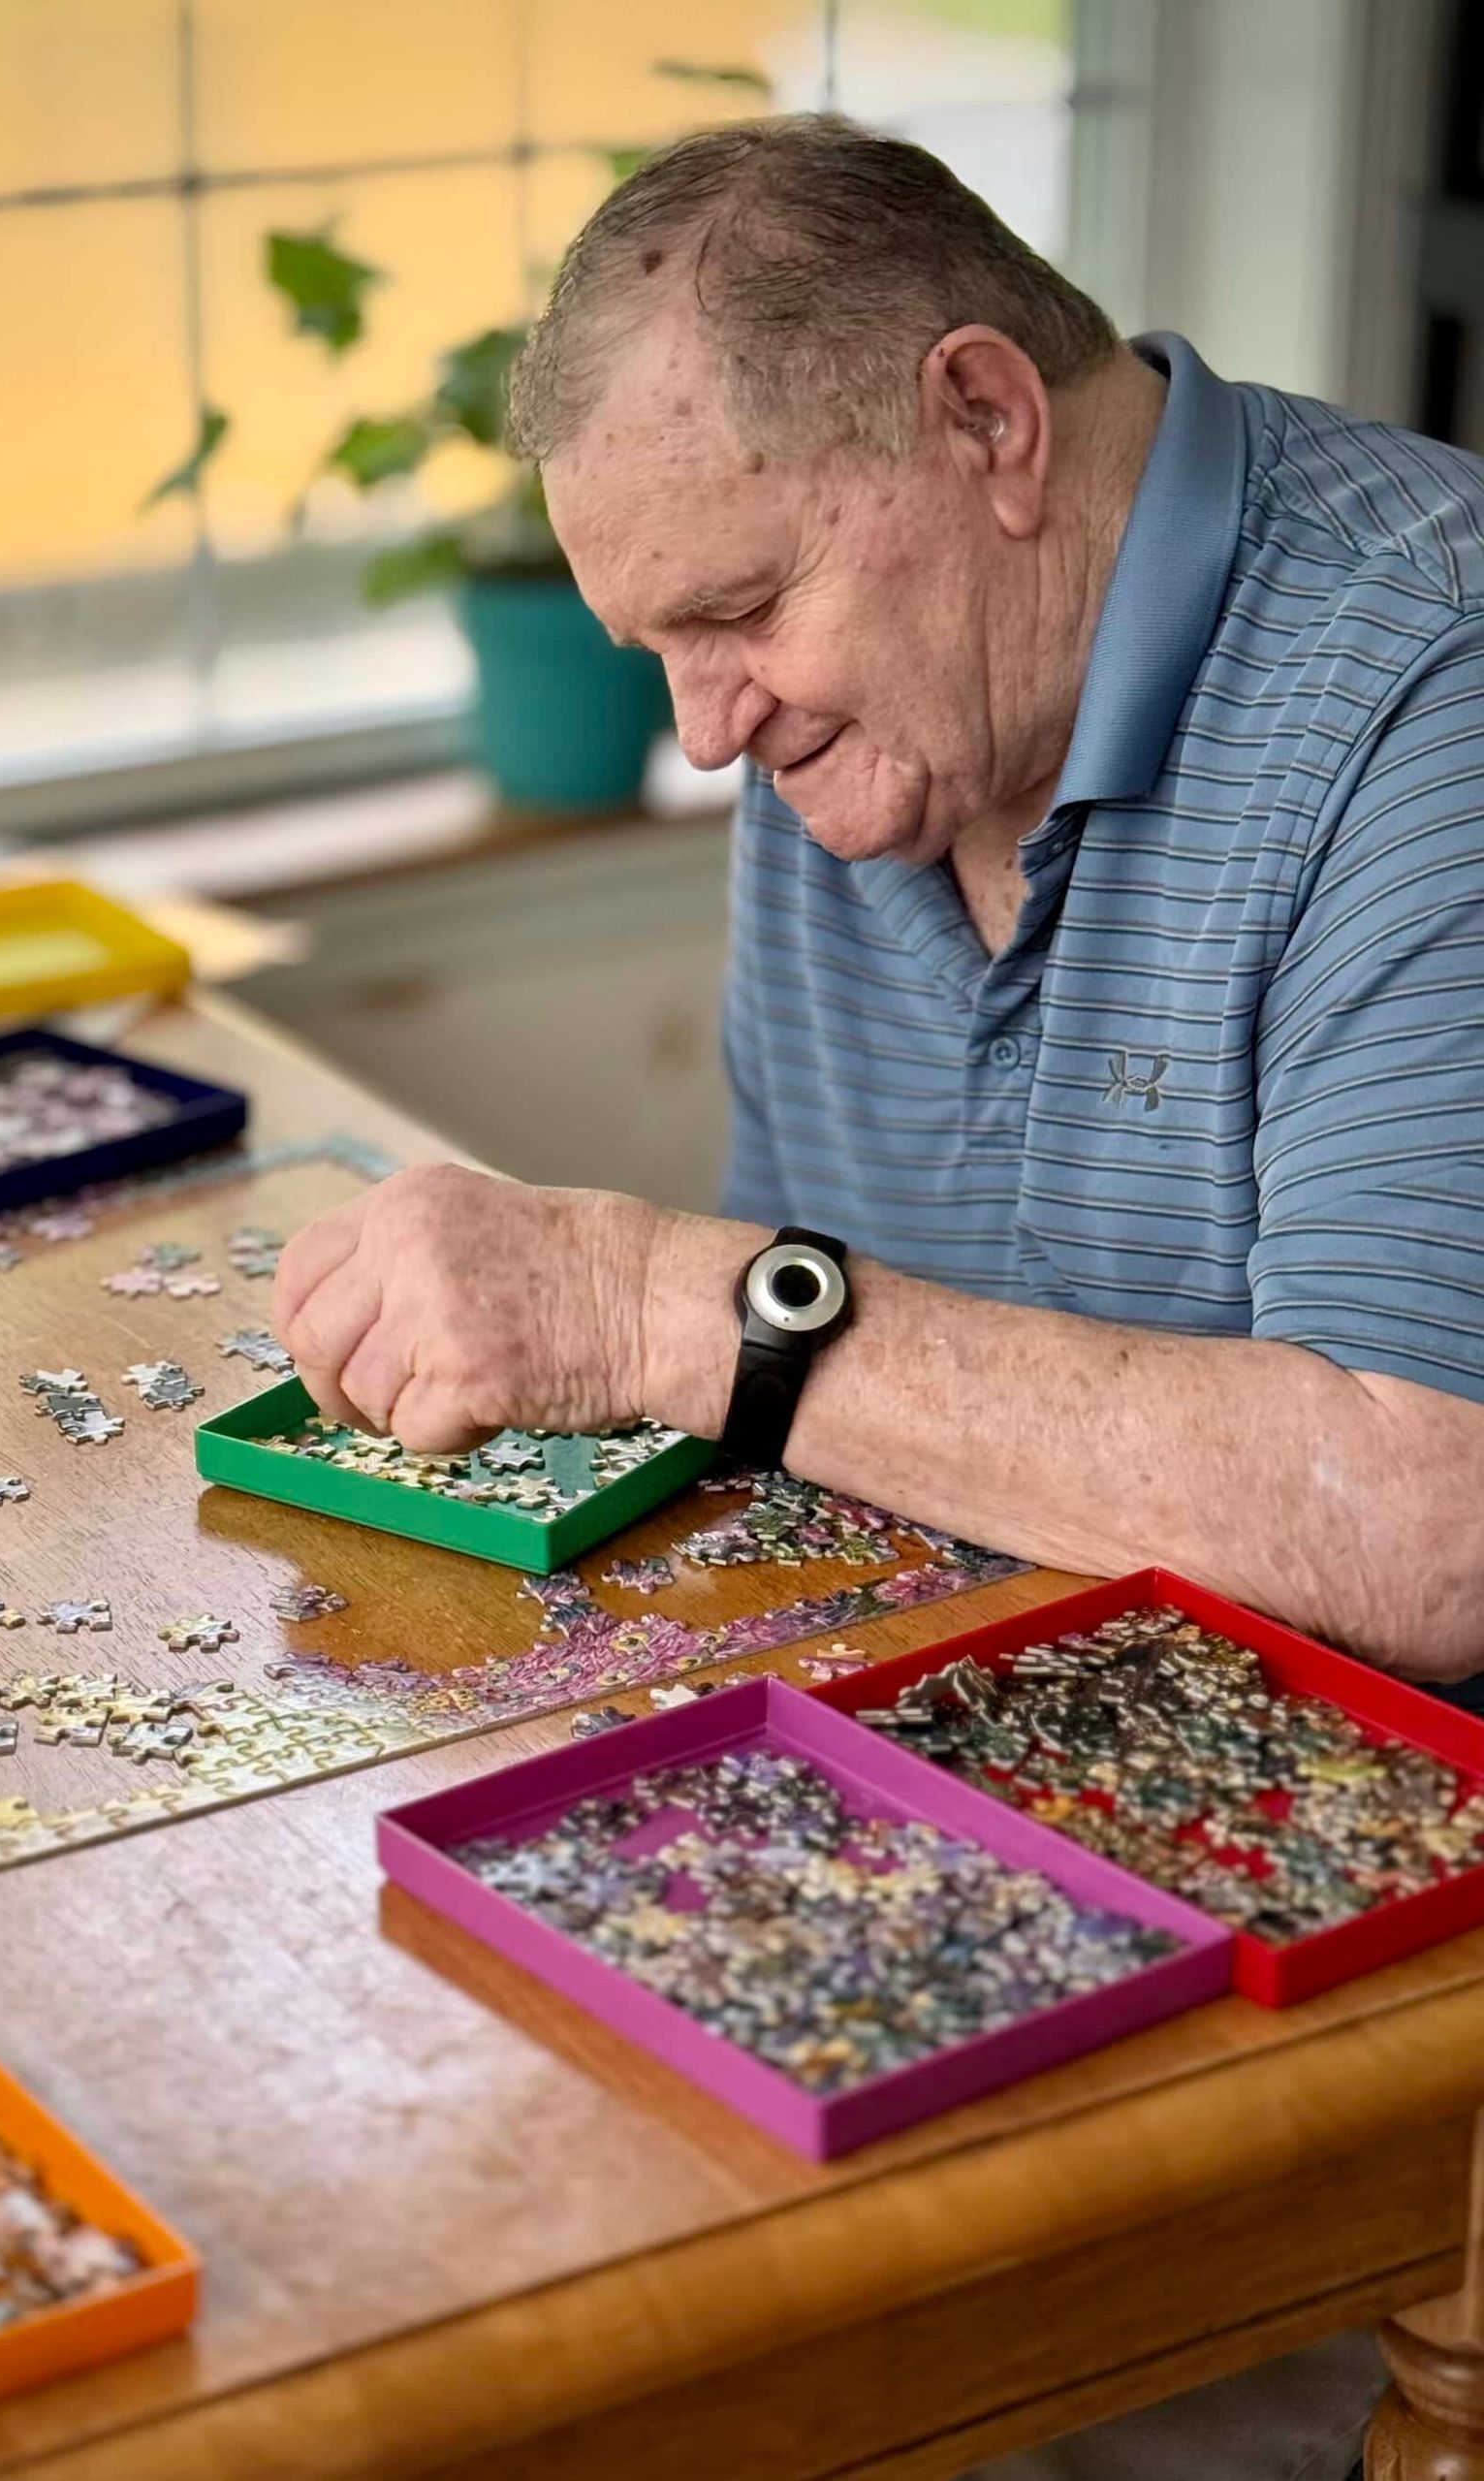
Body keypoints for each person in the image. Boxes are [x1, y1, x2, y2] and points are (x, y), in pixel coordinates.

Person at [272, 117, 1484, 2477]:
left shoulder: (1433, 702)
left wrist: (663, 1295)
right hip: (1008, 1872)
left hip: (1393, 2020)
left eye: (739, 613)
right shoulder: (867, 731)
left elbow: (1425, 1515)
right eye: (662, 652)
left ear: (985, 425)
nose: (707, 723)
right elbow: (839, 1439)